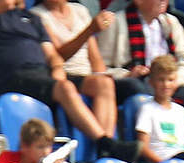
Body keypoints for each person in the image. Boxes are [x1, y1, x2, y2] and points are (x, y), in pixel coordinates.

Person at [0, 0, 139, 163]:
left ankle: (106, 148)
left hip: (41, 74)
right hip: (11, 77)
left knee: (103, 84)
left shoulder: (32, 19)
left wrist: (57, 68)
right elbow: (4, 3)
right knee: (64, 87)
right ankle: (105, 142)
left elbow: (51, 54)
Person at [98, 0, 184, 103]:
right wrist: (128, 74)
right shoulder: (116, 23)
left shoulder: (171, 22)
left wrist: (174, 80)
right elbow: (100, 70)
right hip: (142, 83)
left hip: (174, 82)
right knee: (143, 85)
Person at [29, 0, 119, 136]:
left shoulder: (80, 10)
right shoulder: (37, 15)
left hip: (86, 76)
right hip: (63, 73)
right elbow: (57, 55)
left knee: (107, 83)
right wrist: (89, 30)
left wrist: (101, 73)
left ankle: (107, 146)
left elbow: (95, 57)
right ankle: (104, 143)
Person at [0, 117, 85, 163]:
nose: (46, 152)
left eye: (49, 146)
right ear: (24, 146)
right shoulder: (6, 158)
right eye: (40, 147)